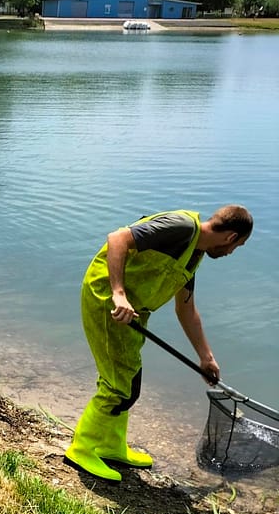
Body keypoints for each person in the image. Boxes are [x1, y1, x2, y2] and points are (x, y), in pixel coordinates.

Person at [64, 205, 253, 482]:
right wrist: (118, 294)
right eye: (238, 246)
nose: (231, 253)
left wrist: (206, 356)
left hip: (133, 313)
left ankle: (110, 446)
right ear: (230, 237)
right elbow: (117, 238)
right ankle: (81, 449)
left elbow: (186, 310)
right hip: (108, 301)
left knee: (130, 381)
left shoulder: (193, 253)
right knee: (117, 385)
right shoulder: (181, 227)